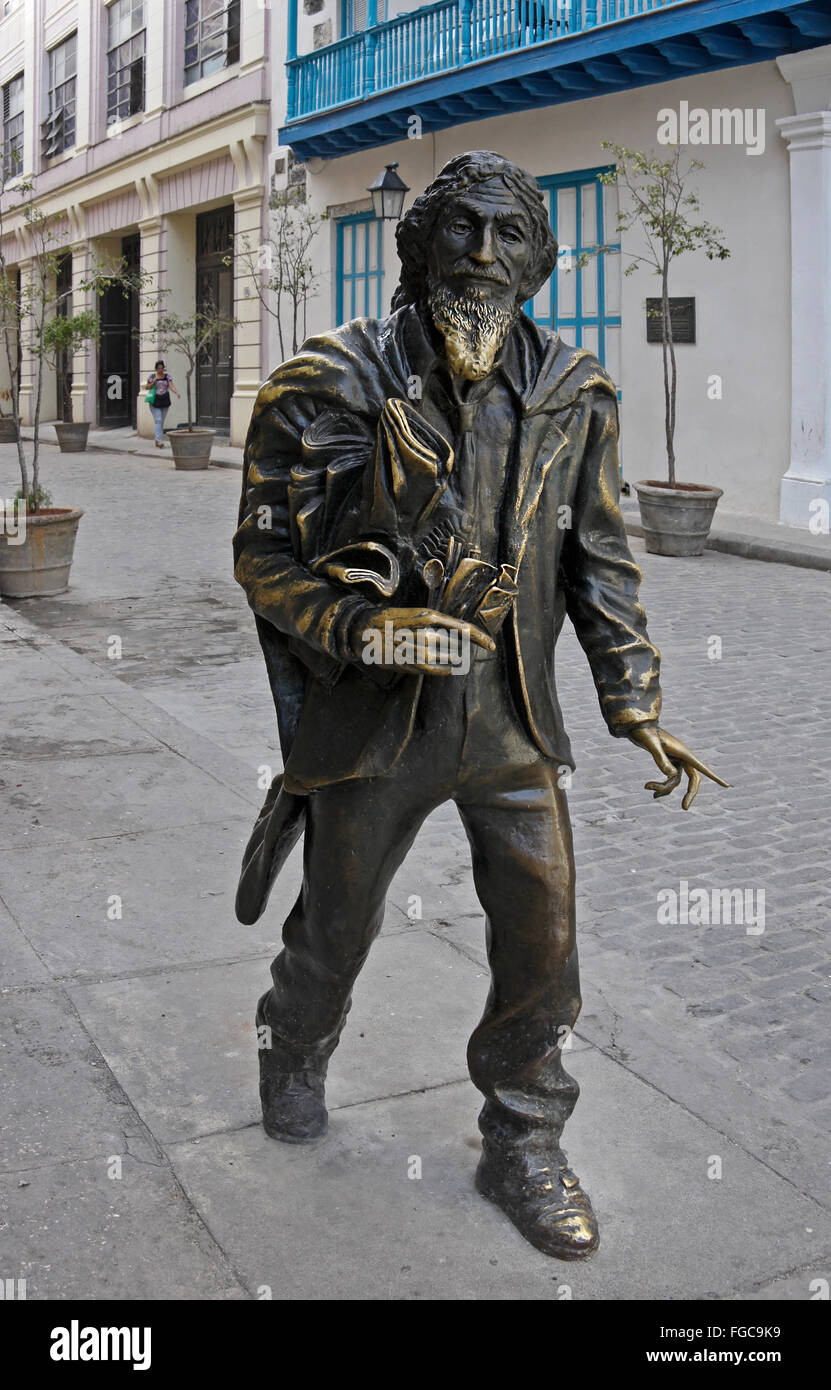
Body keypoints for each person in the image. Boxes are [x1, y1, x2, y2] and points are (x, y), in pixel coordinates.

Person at [233, 151, 727, 1261]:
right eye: (459, 230)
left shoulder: (574, 392)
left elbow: (602, 564)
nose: (483, 257)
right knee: (338, 924)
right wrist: (363, 626)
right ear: (419, 247)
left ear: (540, 261)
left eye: (509, 237)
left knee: (544, 934)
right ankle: (294, 1043)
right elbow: (262, 552)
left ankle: (524, 1134)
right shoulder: (332, 378)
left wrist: (635, 700)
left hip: (511, 720)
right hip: (380, 717)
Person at [146, 359, 179, 447]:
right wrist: (154, 380)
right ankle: (160, 441)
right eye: (159, 368)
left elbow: (171, 386)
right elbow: (147, 387)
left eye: (162, 368)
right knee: (158, 420)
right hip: (155, 401)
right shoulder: (152, 376)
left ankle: (157, 439)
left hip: (164, 400)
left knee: (161, 421)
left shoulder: (167, 376)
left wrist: (176, 392)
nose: (160, 370)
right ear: (156, 369)